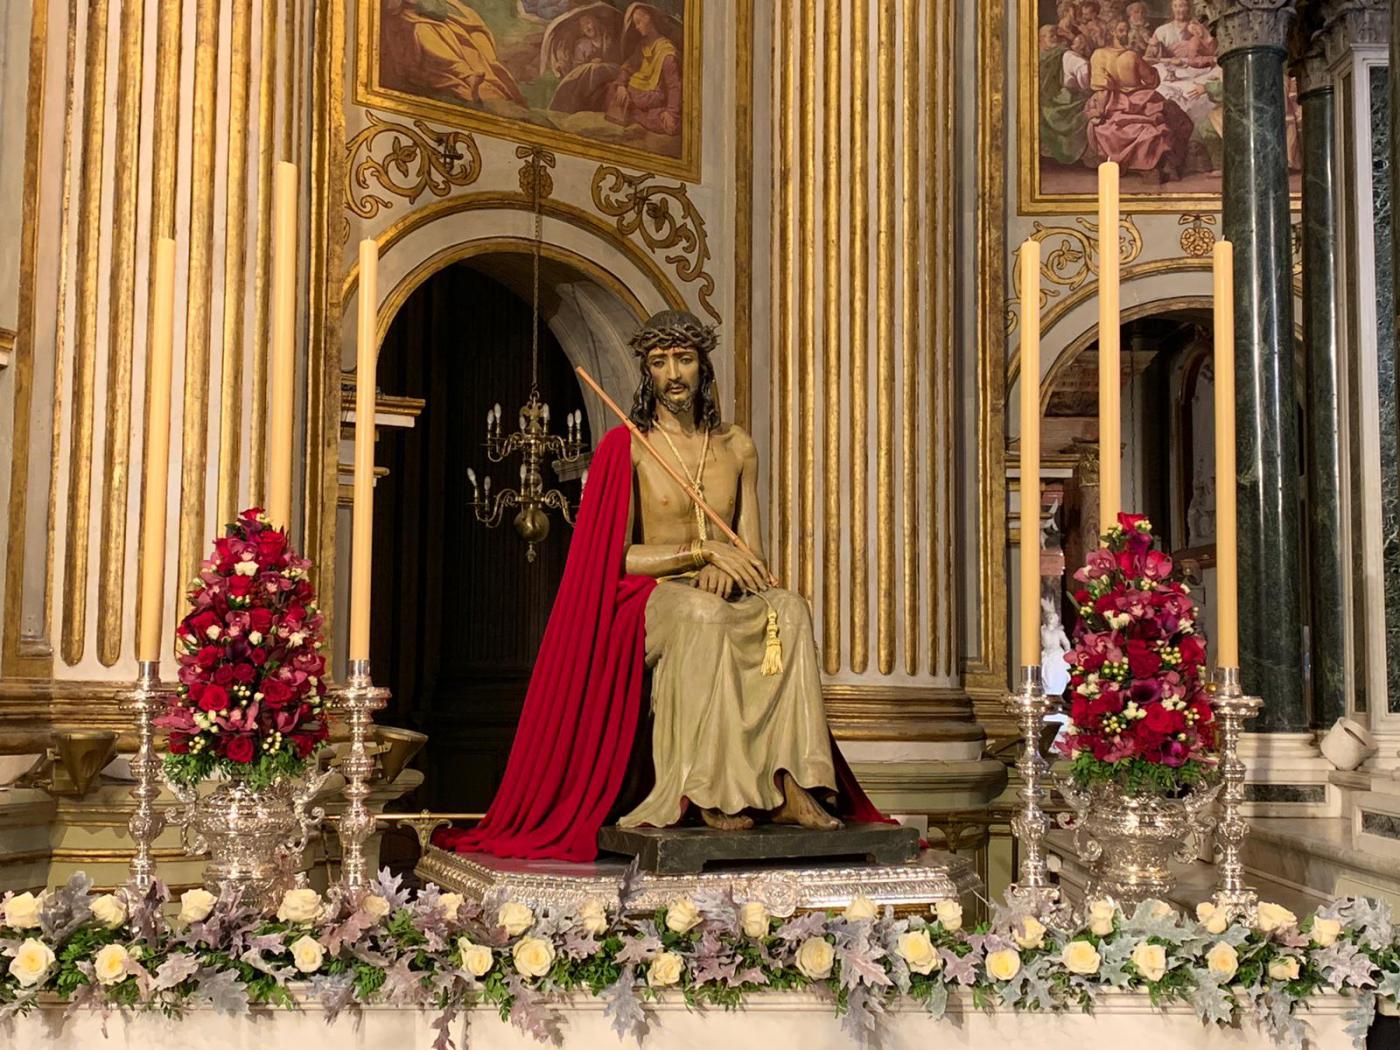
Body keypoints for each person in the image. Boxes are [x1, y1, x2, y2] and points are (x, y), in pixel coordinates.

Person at [436, 312, 880, 862]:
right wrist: (700, 554)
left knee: (789, 609)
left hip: (721, 586)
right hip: (648, 600)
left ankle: (794, 783)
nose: (674, 374)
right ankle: (703, 789)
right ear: (647, 373)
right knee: (703, 615)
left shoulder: (737, 447)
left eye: (685, 359)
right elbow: (616, 556)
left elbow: (753, 551)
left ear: (704, 367)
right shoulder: (631, 445)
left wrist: (729, 561)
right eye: (660, 362)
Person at [1086, 19, 1194, 180]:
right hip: (1137, 98)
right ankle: (1160, 164)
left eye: (1126, 30)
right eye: (1122, 30)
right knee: (1171, 115)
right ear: (1112, 33)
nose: (1125, 34)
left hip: (1112, 101)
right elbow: (1152, 81)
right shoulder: (1132, 56)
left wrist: (1100, 111)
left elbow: (1102, 88)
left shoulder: (1098, 55)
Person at [380, 0, 525, 106]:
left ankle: (484, 79)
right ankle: (465, 75)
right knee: (425, 33)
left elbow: (439, 9)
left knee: (472, 36)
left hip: (435, 11)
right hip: (406, 18)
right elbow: (390, 8)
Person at [605, 4, 682, 135]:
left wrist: (672, 113)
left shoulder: (667, 52)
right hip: (635, 91)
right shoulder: (642, 45)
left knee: (669, 124)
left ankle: (638, 113)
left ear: (648, 19)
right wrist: (621, 85)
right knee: (613, 91)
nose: (637, 27)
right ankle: (636, 112)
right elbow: (628, 67)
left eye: (639, 23)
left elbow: (674, 86)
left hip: (652, 95)